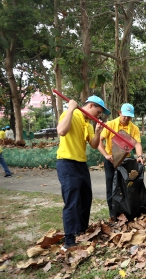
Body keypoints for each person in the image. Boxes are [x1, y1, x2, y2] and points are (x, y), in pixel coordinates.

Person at [56, 95, 110, 251]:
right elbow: (61, 131)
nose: (98, 116)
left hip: (81, 164)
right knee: (72, 201)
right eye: (98, 112)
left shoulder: (88, 124)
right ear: (91, 105)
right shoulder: (71, 114)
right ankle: (69, 241)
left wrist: (98, 132)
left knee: (86, 198)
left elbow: (93, 144)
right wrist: (71, 108)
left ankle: (81, 230)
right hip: (67, 163)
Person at [97, 103, 143, 221]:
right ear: (119, 113)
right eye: (124, 116)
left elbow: (137, 143)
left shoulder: (134, 128)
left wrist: (139, 156)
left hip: (125, 161)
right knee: (111, 186)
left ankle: (126, 211)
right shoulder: (110, 125)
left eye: (129, 117)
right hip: (111, 161)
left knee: (126, 186)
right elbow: (98, 141)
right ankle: (113, 214)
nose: (126, 118)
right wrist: (106, 155)